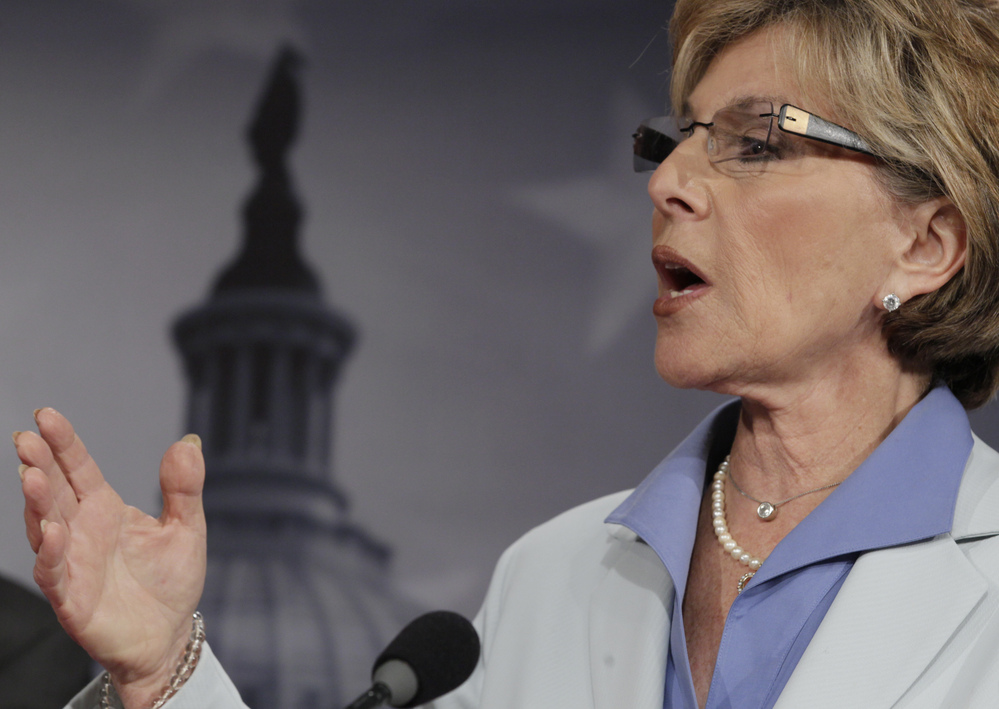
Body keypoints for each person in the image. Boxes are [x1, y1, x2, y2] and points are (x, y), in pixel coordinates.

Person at [15, 0, 999, 706]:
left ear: (926, 244)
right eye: (678, 138)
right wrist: (162, 672)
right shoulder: (555, 572)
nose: (671, 183)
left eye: (755, 143)